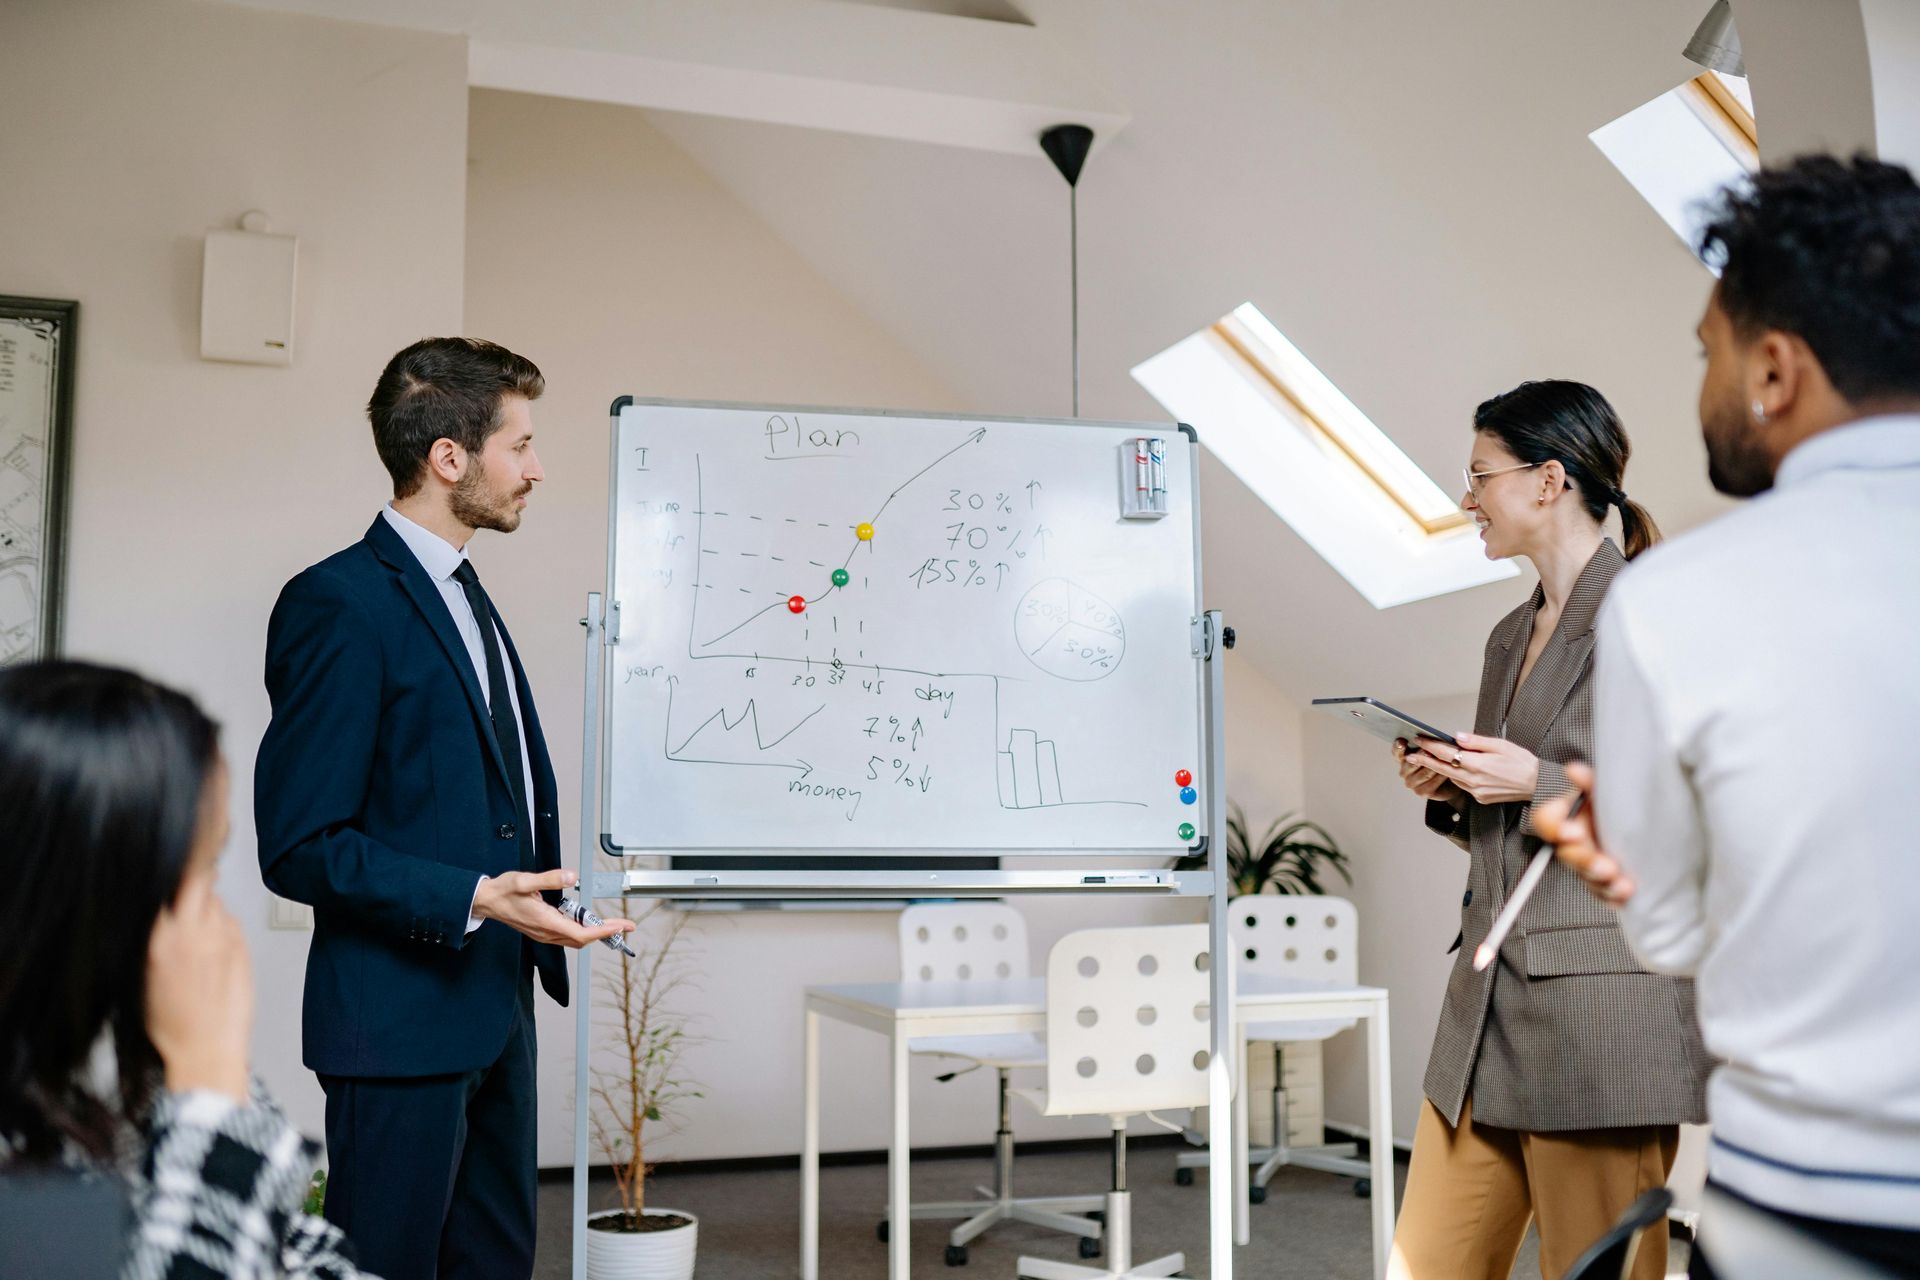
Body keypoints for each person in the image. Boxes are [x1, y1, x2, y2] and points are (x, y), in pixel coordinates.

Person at [1539, 154, 1920, 1278]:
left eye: (1707, 351)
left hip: (1812, 1209)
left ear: (1773, 368)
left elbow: (1672, 935)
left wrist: (1632, 869)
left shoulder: (1676, 599)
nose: (1703, 383)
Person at [255, 337, 633, 1280]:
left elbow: (471, 804)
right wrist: (474, 894)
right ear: (449, 457)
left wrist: (537, 908)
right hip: (396, 1025)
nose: (538, 469)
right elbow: (301, 845)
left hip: (497, 1008)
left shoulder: (465, 589)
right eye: (522, 444)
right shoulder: (338, 603)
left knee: (494, 1262)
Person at [1383, 380, 1711, 1280]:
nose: (1466, 497)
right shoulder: (1504, 635)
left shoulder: (1659, 613)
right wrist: (1453, 789)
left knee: (1597, 1271)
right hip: (1482, 1014)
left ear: (1549, 480)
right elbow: (1512, 828)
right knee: (1426, 1267)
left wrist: (1539, 782)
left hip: (1601, 1010)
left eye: (1478, 474)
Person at [0, 660, 374, 1279]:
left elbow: (306, 1257)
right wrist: (210, 1069)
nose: (219, 921)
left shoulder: (98, 1099)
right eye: (200, 873)